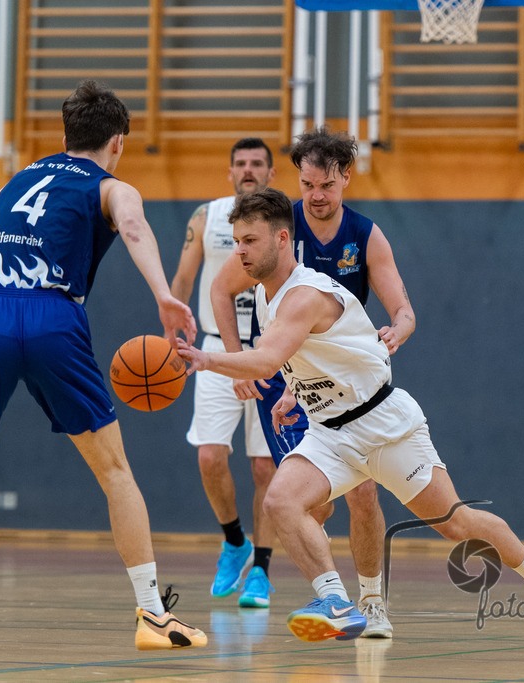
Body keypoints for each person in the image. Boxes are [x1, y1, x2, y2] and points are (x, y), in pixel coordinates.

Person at [0, 81, 207, 665]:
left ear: (64, 137)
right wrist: (162, 294)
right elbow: (133, 228)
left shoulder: (20, 178)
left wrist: (18, 251)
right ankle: (153, 614)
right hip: (56, 318)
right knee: (114, 471)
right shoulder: (112, 186)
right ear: (118, 143)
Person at [177, 188, 524, 650]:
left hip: (386, 427)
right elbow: (312, 356)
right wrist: (298, 391)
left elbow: (266, 360)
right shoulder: (270, 295)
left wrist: (207, 361)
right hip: (331, 432)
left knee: (455, 524)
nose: (239, 251)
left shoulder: (304, 296)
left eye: (249, 241)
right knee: (280, 501)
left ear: (282, 239)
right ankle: (335, 602)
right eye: (236, 240)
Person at [210, 127, 414, 638]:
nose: (316, 196)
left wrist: (397, 330)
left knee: (360, 494)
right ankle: (308, 585)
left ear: (345, 178)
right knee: (291, 493)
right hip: (284, 380)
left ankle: (369, 603)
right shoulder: (278, 228)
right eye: (307, 185)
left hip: (344, 383)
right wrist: (235, 358)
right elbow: (219, 286)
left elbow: (404, 310)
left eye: (325, 185)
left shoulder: (366, 236)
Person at [169, 138, 278, 608]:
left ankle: (263, 571)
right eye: (241, 163)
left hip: (274, 354)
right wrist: (173, 337)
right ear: (229, 171)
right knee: (210, 457)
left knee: (265, 466)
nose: (248, 170)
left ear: (271, 174)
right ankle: (235, 541)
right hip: (215, 348)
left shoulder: (283, 223)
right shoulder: (205, 218)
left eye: (257, 164)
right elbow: (183, 282)